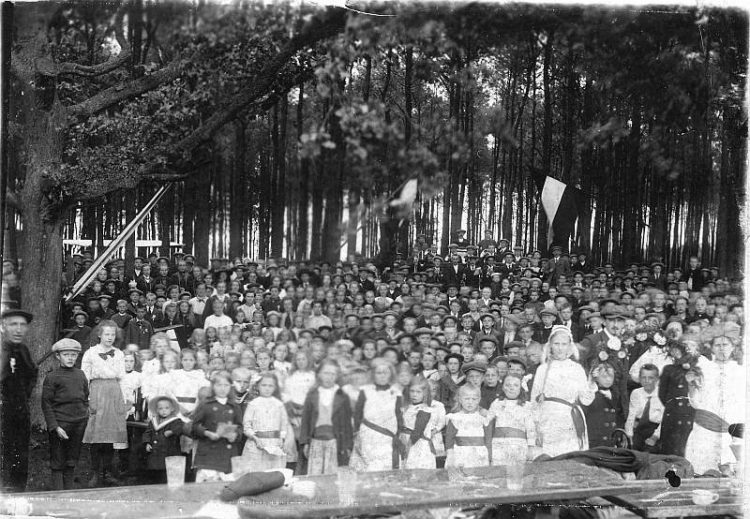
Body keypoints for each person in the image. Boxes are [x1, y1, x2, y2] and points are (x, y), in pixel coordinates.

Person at [684, 325, 744, 474]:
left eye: (725, 345)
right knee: (704, 472)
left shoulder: (741, 371)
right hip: (706, 429)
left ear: (733, 347)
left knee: (732, 474)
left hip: (731, 429)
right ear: (711, 348)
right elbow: (695, 403)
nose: (721, 349)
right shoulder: (703, 369)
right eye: (717, 345)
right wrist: (692, 387)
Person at [530, 326, 595, 457]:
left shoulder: (576, 368)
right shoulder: (542, 369)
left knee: (568, 456)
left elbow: (585, 400)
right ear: (550, 346)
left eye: (564, 344)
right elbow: (534, 400)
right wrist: (535, 426)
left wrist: (592, 382)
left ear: (569, 346)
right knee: (548, 457)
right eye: (556, 344)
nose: (560, 348)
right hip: (548, 419)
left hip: (569, 420)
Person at [81, 319, 128, 487]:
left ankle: (107, 472)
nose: (110, 337)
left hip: (113, 392)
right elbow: (85, 377)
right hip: (97, 391)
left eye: (112, 334)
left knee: (110, 436)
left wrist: (123, 399)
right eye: (106, 334)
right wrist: (87, 397)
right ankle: (95, 473)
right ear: (99, 334)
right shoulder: (91, 353)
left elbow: (122, 378)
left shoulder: (120, 353)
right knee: (96, 435)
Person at [41, 338, 89, 490]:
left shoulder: (81, 374)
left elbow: (85, 396)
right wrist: (55, 427)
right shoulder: (52, 377)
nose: (70, 358)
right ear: (58, 356)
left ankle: (69, 494)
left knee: (72, 459)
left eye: (73, 355)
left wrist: (84, 416)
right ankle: (58, 495)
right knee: (58, 460)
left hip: (79, 424)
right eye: (66, 354)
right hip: (61, 425)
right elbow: (46, 404)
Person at [0, 309, 37, 492]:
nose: (18, 329)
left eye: (23, 325)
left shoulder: (23, 350)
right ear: (3, 326)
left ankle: (17, 493)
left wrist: (23, 395)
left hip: (19, 410)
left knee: (20, 453)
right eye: (14, 324)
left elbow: (32, 373)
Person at [299, 359, 353, 475]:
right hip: (316, 441)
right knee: (315, 473)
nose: (329, 377)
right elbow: (306, 420)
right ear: (319, 374)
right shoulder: (312, 394)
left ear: (337, 376)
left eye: (333, 374)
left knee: (332, 474)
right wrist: (305, 442)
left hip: (334, 442)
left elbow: (347, 424)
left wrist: (347, 445)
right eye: (326, 373)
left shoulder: (342, 396)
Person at [350, 358, 403, 472]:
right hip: (368, 435)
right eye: (379, 373)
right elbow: (358, 414)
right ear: (373, 374)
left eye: (385, 372)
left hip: (387, 437)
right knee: (369, 466)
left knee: (386, 466)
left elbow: (398, 415)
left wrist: (398, 435)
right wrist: (357, 433)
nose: (382, 376)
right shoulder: (365, 390)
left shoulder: (396, 392)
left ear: (390, 374)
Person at [191, 370, 243, 482]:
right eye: (219, 385)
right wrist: (207, 433)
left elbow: (240, 427)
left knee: (227, 488)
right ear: (213, 386)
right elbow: (194, 426)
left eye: (226, 385)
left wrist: (235, 435)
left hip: (228, 454)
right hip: (208, 453)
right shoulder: (205, 404)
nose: (222, 388)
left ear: (231, 387)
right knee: (206, 489)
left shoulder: (234, 406)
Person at [242, 372, 289, 470]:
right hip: (257, 444)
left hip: (274, 444)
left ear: (275, 387)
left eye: (270, 386)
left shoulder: (279, 405)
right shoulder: (253, 404)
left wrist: (281, 438)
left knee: (272, 473)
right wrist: (254, 438)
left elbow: (284, 424)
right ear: (258, 386)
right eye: (264, 385)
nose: (267, 388)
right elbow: (246, 426)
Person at [488, 374, 536, 465]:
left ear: (521, 388)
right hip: (498, 445)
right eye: (508, 385)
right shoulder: (497, 403)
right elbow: (488, 423)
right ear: (502, 387)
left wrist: (530, 448)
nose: (511, 388)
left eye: (515, 385)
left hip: (518, 445)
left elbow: (531, 428)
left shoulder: (526, 406)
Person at [444, 385, 492, 468]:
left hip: (479, 455)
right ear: (460, 399)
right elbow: (449, 440)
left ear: (479, 400)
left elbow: (488, 440)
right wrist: (450, 458)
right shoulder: (455, 418)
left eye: (474, 399)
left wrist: (490, 458)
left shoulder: (483, 419)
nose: (470, 402)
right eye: (466, 399)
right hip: (460, 455)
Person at [142, 395, 184, 484]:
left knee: (167, 475)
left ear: (172, 409)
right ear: (157, 410)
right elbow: (147, 432)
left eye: (166, 408)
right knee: (155, 474)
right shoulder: (154, 420)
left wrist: (172, 431)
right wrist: (147, 443)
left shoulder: (175, 421)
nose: (164, 411)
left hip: (169, 452)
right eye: (160, 409)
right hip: (155, 453)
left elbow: (181, 428)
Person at [582, 362, 625, 448]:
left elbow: (620, 417)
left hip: (612, 441)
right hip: (595, 441)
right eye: (604, 376)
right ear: (596, 378)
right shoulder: (590, 394)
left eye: (611, 376)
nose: (608, 379)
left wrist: (620, 436)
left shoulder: (616, 395)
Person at [399, 378, 439, 469]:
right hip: (405, 442)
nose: (414, 395)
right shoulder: (407, 408)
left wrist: (407, 448)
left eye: (418, 392)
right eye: (412, 391)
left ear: (425, 393)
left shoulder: (424, 410)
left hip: (417, 445)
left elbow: (417, 432)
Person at [625, 364, 664, 452]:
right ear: (639, 379)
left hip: (656, 430)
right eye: (643, 377)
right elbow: (631, 416)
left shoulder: (662, 394)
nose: (646, 381)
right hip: (639, 428)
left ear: (657, 379)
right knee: (629, 451)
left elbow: (664, 421)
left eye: (650, 378)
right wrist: (629, 436)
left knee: (648, 453)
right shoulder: (636, 393)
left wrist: (654, 437)